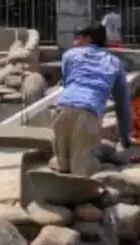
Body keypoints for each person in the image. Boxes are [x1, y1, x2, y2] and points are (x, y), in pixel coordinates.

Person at [54, 23, 135, 176]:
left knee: (63, 167)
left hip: (62, 109)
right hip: (89, 113)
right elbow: (122, 106)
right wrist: (125, 140)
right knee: (82, 173)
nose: (74, 42)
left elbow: (67, 84)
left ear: (88, 39)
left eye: (78, 38)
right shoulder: (115, 63)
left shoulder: (69, 55)